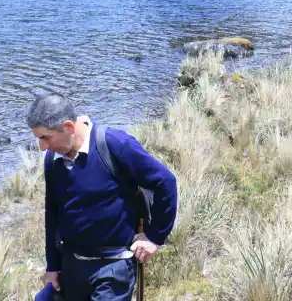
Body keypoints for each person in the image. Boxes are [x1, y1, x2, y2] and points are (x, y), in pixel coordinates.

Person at [27, 93, 178, 301]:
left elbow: (165, 182)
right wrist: (53, 266)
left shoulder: (115, 145)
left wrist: (155, 237)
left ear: (69, 127)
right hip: (72, 265)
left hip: (113, 266)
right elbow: (52, 215)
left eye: (45, 137)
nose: (42, 147)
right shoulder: (53, 160)